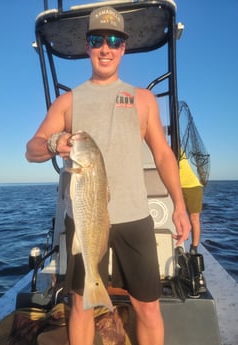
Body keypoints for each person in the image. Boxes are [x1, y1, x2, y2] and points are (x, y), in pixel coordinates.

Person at [26, 6, 191, 345]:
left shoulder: (143, 99)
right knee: (82, 304)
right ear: (87, 46)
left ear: (123, 48)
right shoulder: (68, 102)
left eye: (114, 40)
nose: (106, 48)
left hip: (135, 217)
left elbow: (163, 154)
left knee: (147, 306)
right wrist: (56, 142)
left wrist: (179, 204)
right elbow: (33, 149)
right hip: (85, 219)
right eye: (97, 39)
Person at [179, 151, 203, 255]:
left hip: (192, 186)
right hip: (177, 187)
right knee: (179, 217)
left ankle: (194, 247)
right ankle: (179, 244)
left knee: (194, 218)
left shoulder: (177, 147)